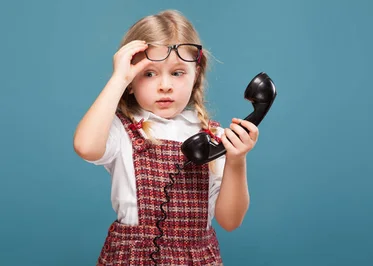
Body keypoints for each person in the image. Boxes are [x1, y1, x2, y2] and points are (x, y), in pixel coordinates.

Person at [73, 9, 258, 265]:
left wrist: (237, 160)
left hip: (197, 257)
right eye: (149, 74)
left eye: (178, 72)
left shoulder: (212, 137)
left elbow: (230, 221)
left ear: (196, 76)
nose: (165, 85)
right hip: (131, 257)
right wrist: (118, 79)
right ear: (131, 80)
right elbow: (85, 147)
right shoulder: (122, 129)